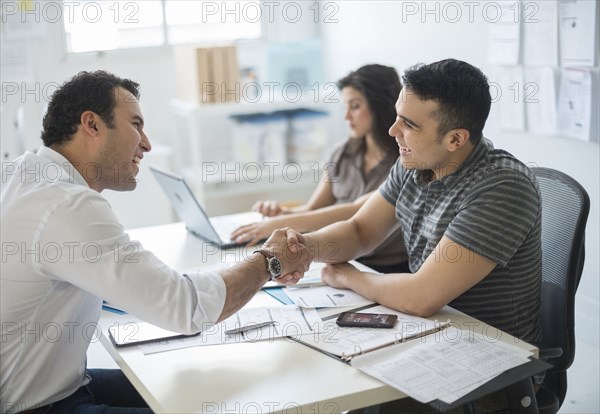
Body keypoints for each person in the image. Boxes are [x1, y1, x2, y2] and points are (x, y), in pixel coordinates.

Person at [0, 71, 310, 414]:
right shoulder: (68, 204)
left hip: (59, 384)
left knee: (201, 385)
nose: (145, 143)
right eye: (136, 125)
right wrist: (269, 261)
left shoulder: (25, 175)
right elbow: (185, 308)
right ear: (92, 124)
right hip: (38, 405)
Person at [284, 59, 542, 412]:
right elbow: (360, 230)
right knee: (317, 367)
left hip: (489, 362)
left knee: (356, 398)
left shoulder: (502, 187)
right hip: (430, 332)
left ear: (455, 138)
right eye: (396, 116)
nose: (393, 131)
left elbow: (422, 296)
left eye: (408, 124)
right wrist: (304, 247)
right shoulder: (416, 162)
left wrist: (349, 276)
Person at [231, 64, 409, 273]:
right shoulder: (342, 153)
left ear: (380, 105)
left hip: (385, 268)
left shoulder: (405, 162)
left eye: (355, 106)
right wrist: (281, 213)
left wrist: (277, 224)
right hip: (343, 260)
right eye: (345, 107)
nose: (346, 116)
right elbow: (313, 208)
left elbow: (356, 212)